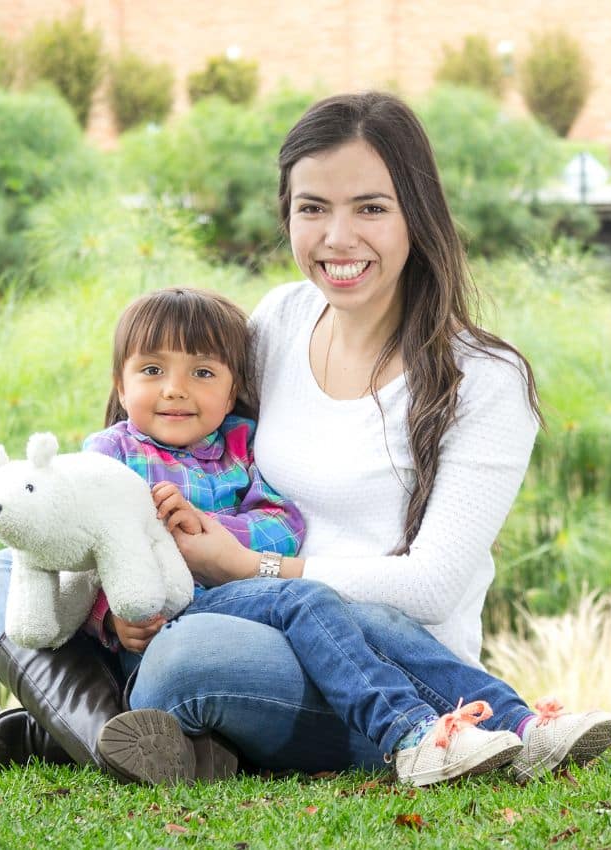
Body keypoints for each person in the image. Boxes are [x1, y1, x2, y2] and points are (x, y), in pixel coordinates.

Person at [0, 91, 611, 784]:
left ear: (418, 213)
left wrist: (249, 567)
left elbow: (430, 587)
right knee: (6, 572)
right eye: (313, 208)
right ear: (287, 214)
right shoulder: (281, 319)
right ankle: (116, 740)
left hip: (370, 667)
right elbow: (175, 437)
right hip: (220, 608)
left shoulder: (485, 378)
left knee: (189, 658)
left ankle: (98, 734)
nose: (338, 238)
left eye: (370, 207)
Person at [78, 285, 541, 786]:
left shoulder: (240, 444)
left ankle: (520, 722)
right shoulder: (108, 457)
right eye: (152, 371)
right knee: (6, 571)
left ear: (232, 391)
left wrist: (217, 540)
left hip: (239, 604)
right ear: (120, 387)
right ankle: (410, 735)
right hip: (159, 622)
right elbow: (85, 551)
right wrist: (110, 618)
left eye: (203, 373)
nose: (174, 389)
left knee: (347, 611)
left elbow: (283, 524)